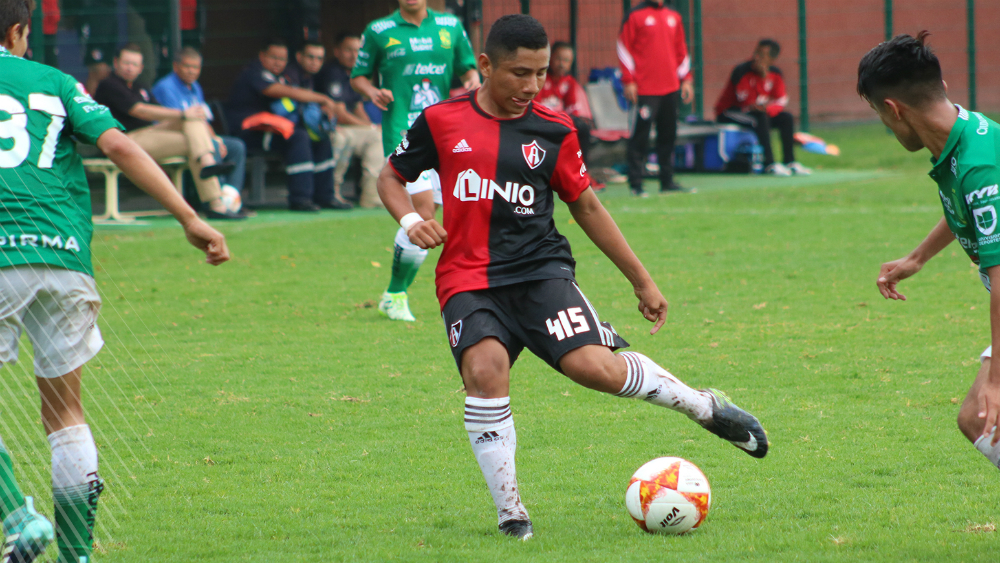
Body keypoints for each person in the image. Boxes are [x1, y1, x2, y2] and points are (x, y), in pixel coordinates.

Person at [378, 13, 769, 540]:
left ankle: (704, 407)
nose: (532, 86)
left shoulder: (554, 129)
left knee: (596, 370)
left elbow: (586, 206)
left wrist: (642, 280)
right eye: (519, 73)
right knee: (486, 370)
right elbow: (391, 176)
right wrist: (411, 220)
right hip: (467, 279)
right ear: (486, 66)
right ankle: (511, 512)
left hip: (540, 272)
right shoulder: (441, 120)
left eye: (540, 73)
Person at [0, 2, 229, 562]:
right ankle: (77, 554)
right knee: (64, 411)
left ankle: (16, 518)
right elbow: (120, 145)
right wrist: (190, 216)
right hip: (65, 255)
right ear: (18, 30)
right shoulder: (55, 81)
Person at [860, 31, 1000, 472]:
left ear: (893, 109)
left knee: (985, 412)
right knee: (976, 419)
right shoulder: (963, 134)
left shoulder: (980, 165)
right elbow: (969, 207)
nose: (886, 128)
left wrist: (998, 381)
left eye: (879, 116)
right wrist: (918, 257)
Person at [351, 0, 480, 322]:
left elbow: (469, 66)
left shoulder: (450, 27)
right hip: (402, 128)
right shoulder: (379, 30)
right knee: (421, 211)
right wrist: (372, 92)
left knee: (439, 214)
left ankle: (398, 292)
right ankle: (396, 294)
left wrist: (472, 80)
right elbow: (359, 76)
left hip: (446, 130)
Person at [94, 43, 245, 220]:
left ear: (141, 67)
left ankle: (207, 162)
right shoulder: (108, 84)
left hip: (149, 133)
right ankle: (215, 204)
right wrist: (183, 114)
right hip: (124, 140)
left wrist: (214, 137)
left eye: (135, 64)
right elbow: (138, 110)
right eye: (126, 63)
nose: (130, 68)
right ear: (116, 62)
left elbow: (165, 115)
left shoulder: (140, 87)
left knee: (192, 120)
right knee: (191, 136)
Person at [226, 38, 342, 212]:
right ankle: (300, 198)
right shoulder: (254, 73)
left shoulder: (283, 76)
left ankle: (325, 196)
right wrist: (323, 98)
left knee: (319, 137)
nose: (278, 62)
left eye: (282, 59)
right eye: (273, 57)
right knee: (299, 136)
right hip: (249, 133)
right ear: (262, 56)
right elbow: (277, 91)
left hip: (274, 130)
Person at [617, 0, 693, 196]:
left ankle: (667, 182)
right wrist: (629, 80)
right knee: (640, 136)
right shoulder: (635, 16)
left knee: (668, 135)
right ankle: (636, 184)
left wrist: (686, 79)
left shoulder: (674, 16)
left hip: (670, 87)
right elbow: (623, 48)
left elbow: (681, 50)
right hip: (645, 89)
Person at [152, 46, 248, 197]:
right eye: (187, 66)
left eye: (196, 67)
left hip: (197, 136)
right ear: (176, 66)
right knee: (213, 145)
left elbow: (202, 119)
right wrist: (213, 141)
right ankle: (217, 198)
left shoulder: (196, 87)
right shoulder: (166, 87)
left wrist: (215, 137)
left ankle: (232, 197)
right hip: (171, 136)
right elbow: (181, 121)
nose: (192, 71)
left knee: (236, 146)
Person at [714, 39, 811, 177]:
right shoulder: (741, 71)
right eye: (756, 52)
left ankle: (790, 162)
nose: (756, 57)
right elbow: (744, 101)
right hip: (730, 112)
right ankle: (769, 163)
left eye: (762, 54)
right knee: (759, 119)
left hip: (756, 113)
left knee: (786, 118)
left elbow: (781, 99)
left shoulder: (776, 73)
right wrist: (762, 79)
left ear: (772, 59)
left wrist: (768, 109)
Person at [315, 31, 383, 209]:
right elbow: (340, 112)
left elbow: (357, 107)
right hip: (330, 128)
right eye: (348, 50)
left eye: (358, 51)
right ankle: (332, 192)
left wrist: (373, 128)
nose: (354, 55)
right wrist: (370, 125)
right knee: (342, 138)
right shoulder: (331, 72)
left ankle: (371, 197)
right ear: (336, 51)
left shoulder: (354, 73)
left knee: (377, 137)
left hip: (348, 127)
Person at [537, 41, 602, 190]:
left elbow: (573, 110)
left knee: (582, 128)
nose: (562, 64)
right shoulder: (540, 78)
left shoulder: (569, 82)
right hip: (541, 122)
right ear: (550, 58)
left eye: (566, 61)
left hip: (560, 123)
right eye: (559, 59)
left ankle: (582, 174)